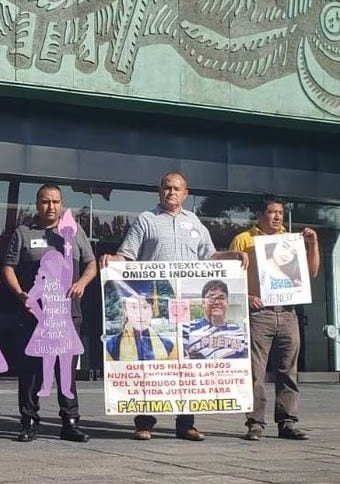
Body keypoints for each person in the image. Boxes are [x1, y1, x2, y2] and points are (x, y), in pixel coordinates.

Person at [100, 171, 246, 441]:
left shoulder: (195, 223)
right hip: (155, 304)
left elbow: (210, 256)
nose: (171, 192)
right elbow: (127, 255)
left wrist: (232, 255)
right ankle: (144, 422)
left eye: (177, 188)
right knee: (150, 364)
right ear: (160, 191)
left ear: (185, 193)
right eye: (167, 188)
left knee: (186, 363)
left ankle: (186, 423)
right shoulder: (146, 220)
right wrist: (112, 259)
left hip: (185, 306)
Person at [1, 184, 96, 443]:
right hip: (35, 315)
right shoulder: (23, 232)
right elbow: (8, 267)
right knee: (31, 370)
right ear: (37, 204)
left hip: (67, 314)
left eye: (55, 202)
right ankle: (29, 421)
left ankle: (70, 422)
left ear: (62, 204)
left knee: (65, 368)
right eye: (45, 201)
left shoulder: (74, 232)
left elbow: (91, 263)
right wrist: (21, 293)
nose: (50, 207)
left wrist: (82, 283)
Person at [229, 196, 320, 442]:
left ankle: (287, 421)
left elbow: (311, 272)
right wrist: (246, 296)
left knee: (288, 371)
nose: (277, 216)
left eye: (280, 212)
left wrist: (312, 244)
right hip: (260, 313)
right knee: (256, 372)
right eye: (272, 212)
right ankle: (255, 423)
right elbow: (229, 276)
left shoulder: (290, 240)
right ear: (260, 215)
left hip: (288, 312)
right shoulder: (244, 239)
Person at [104, 282, 178, 361]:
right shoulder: (110, 347)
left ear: (152, 309)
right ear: (125, 310)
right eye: (133, 307)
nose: (139, 314)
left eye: (145, 307)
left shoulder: (168, 346)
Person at [182, 280, 248, 360]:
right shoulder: (187, 328)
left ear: (227, 302)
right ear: (203, 302)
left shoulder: (239, 331)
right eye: (211, 298)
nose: (216, 302)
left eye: (221, 298)